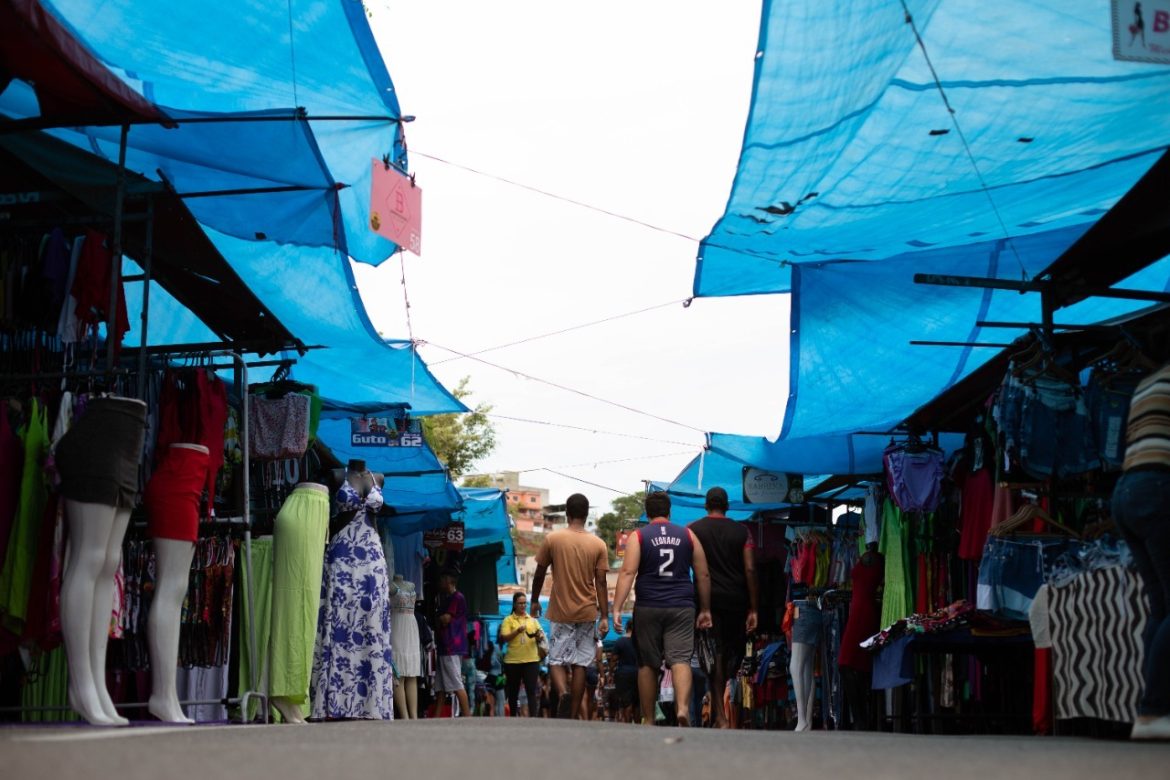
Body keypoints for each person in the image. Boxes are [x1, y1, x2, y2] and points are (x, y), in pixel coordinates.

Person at [612, 491, 713, 727]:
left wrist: (617, 607)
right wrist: (705, 608)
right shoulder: (688, 535)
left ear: (647, 514)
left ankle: (648, 718)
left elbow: (627, 572)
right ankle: (683, 709)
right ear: (669, 511)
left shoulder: (639, 536)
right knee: (680, 660)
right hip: (681, 606)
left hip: (648, 606)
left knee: (648, 663)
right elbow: (703, 574)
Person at [1113, 361, 1170, 740]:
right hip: (1158, 486)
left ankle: (1153, 712)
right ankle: (1155, 710)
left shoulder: (1149, 380)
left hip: (1126, 491)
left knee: (1160, 607)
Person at [531, 493, 611, 718]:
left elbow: (539, 573)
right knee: (580, 665)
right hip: (587, 612)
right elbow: (602, 582)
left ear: (567, 513)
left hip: (560, 610)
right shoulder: (598, 544)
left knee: (556, 659)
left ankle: (563, 692)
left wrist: (534, 600)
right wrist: (605, 615)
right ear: (586, 515)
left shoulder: (553, 539)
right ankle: (573, 713)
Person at [687, 486, 758, 729]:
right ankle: (720, 713)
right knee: (729, 654)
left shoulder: (693, 530)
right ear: (727, 506)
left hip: (706, 602)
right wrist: (753, 608)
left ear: (706, 505)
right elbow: (750, 569)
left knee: (712, 656)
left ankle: (720, 713)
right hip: (736, 601)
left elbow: (689, 566)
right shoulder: (743, 532)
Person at [435, 570, 472, 717]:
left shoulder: (457, 597)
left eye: (442, 578)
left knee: (456, 684)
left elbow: (445, 619)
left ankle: (468, 716)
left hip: (452, 646)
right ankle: (436, 717)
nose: (440, 582)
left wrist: (438, 618)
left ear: (449, 580)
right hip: (446, 646)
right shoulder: (448, 597)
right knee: (441, 687)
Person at [499, 593, 543, 717]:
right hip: (513, 661)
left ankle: (533, 717)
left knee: (531, 690)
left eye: (525, 603)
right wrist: (517, 631)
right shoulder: (508, 620)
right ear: (514, 604)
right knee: (513, 691)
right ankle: (513, 716)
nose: (523, 605)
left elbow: (540, 634)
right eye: (520, 603)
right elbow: (505, 637)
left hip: (532, 660)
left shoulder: (532, 620)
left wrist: (539, 636)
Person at [611, 620, 639, 723]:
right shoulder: (640, 641)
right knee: (637, 702)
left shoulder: (620, 641)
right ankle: (638, 724)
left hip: (623, 674)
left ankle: (627, 724)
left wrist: (610, 672)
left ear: (627, 627)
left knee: (627, 702)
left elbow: (614, 659)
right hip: (639, 673)